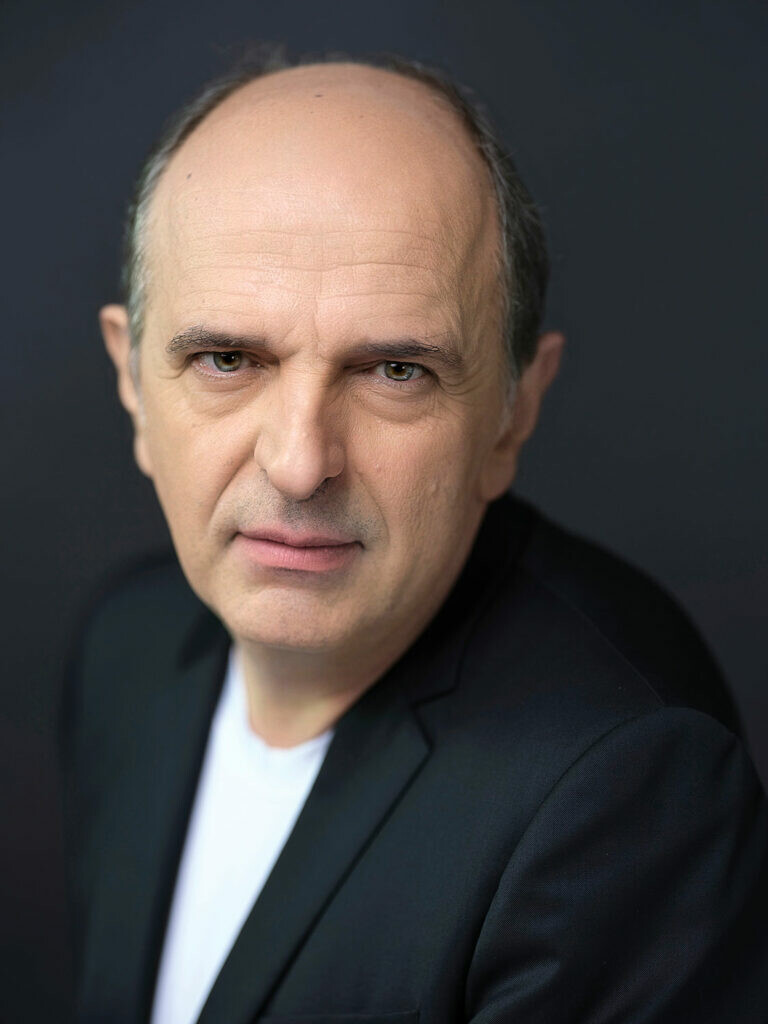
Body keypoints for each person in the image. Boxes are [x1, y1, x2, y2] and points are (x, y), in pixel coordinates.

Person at [58, 49, 768, 1024]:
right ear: (134, 382)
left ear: (513, 413)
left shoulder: (624, 790)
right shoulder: (125, 649)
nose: (299, 463)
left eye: (395, 371)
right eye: (227, 359)